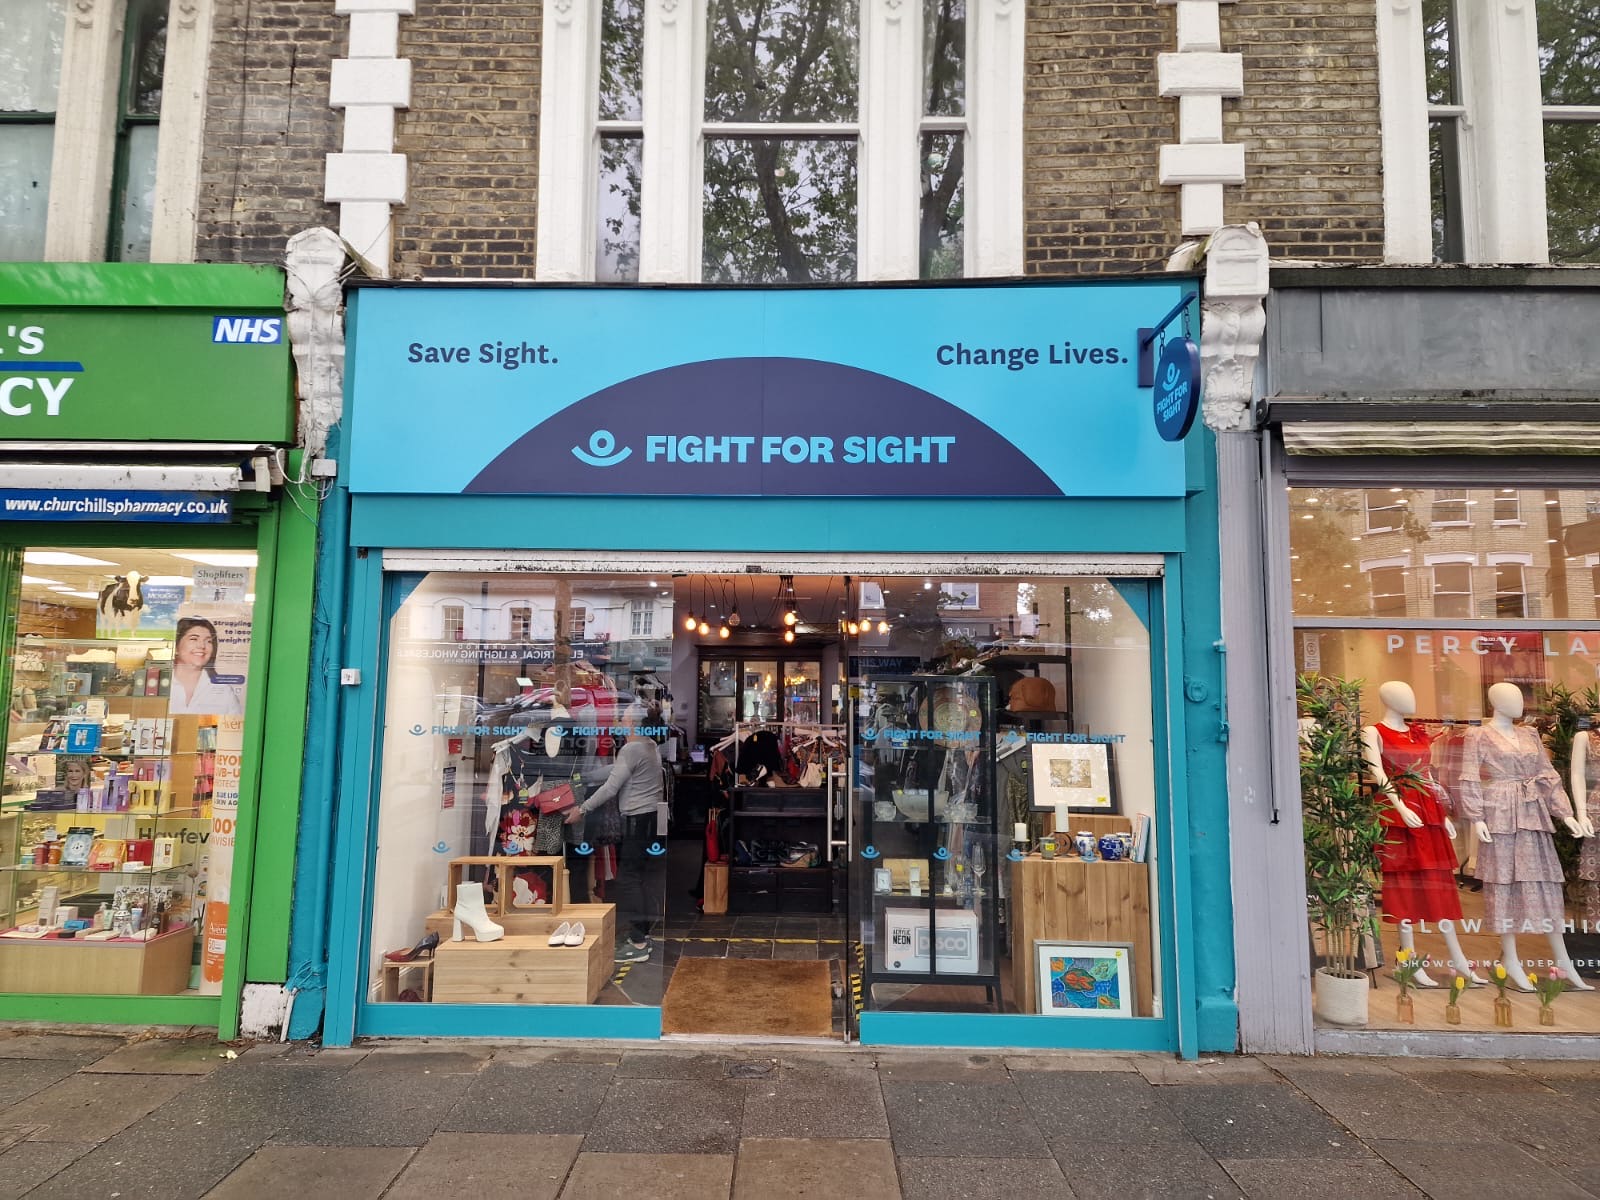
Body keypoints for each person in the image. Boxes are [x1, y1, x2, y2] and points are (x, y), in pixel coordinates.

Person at [567, 702, 663, 963]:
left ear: (631, 723)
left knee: (628, 879)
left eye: (623, 717)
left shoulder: (631, 748)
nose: (619, 720)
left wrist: (582, 809)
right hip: (649, 819)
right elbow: (616, 771)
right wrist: (584, 777)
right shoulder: (648, 745)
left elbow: (611, 787)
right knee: (636, 877)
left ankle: (638, 943)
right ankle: (641, 934)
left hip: (637, 820)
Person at [169, 617, 243, 716]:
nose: (202, 646)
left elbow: (234, 724)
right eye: (194, 639)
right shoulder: (162, 682)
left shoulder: (224, 690)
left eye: (208, 641)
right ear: (176, 646)